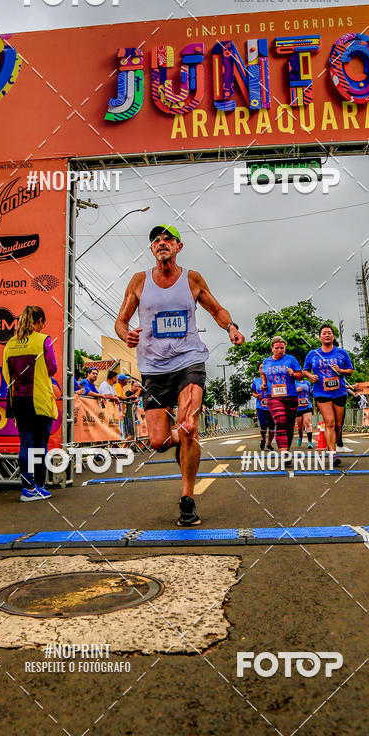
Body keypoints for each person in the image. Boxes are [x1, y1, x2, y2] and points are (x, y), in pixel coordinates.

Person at [115, 222, 244, 526]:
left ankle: (188, 498)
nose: (161, 242)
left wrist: (231, 326)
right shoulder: (139, 281)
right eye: (156, 240)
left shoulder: (192, 278)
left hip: (189, 361)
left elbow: (216, 309)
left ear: (178, 247)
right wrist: (125, 336)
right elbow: (121, 321)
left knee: (189, 425)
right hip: (153, 368)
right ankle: (180, 444)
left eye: (167, 239)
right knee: (159, 441)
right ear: (151, 249)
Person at [2, 305, 57, 501]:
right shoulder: (44, 340)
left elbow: (6, 374)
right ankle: (37, 486)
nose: (44, 325)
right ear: (39, 321)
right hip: (40, 399)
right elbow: (52, 369)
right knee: (40, 445)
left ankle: (29, 487)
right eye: (43, 322)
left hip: (18, 400)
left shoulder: (10, 344)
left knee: (26, 443)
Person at [303, 324, 353, 467]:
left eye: (329, 333)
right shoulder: (313, 354)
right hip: (321, 391)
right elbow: (305, 370)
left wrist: (341, 370)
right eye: (324, 333)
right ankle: (332, 454)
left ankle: (333, 446)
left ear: (333, 336)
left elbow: (350, 371)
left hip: (339, 392)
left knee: (338, 425)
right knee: (329, 422)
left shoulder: (342, 353)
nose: (327, 335)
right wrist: (310, 377)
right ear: (319, 337)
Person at [260, 336, 303, 457]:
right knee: (280, 421)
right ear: (272, 348)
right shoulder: (267, 361)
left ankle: (286, 449)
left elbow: (301, 376)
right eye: (277, 348)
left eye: (282, 348)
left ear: (285, 348)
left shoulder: (291, 359)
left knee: (289, 426)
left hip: (291, 396)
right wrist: (264, 384)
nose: (280, 350)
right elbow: (263, 373)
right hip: (273, 397)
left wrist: (293, 373)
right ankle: (284, 453)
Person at [252, 363, 274, 450]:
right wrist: (256, 395)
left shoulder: (272, 380)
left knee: (272, 425)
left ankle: (269, 443)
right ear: (258, 370)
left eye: (264, 368)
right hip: (261, 406)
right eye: (261, 368)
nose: (263, 369)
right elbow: (253, 392)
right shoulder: (256, 381)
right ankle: (263, 439)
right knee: (263, 425)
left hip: (272, 405)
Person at [295, 378, 313, 448]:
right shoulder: (293, 382)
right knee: (300, 427)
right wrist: (296, 391)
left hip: (307, 405)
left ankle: (310, 442)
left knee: (308, 423)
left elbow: (310, 392)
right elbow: (289, 393)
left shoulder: (307, 382)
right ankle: (300, 436)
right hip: (298, 407)